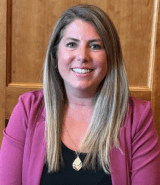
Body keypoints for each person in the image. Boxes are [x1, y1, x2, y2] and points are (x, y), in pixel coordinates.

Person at [0, 4, 160, 185]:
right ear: (55, 53)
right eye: (71, 44)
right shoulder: (27, 109)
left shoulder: (137, 118)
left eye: (95, 46)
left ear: (110, 56)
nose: (82, 56)